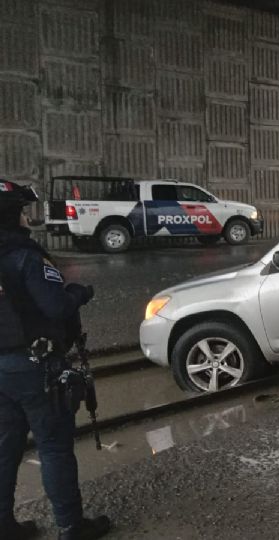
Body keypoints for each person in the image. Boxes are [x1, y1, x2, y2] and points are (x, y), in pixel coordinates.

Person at [0, 181, 110, 540]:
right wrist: (78, 292)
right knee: (54, 447)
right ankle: (70, 527)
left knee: (5, 448)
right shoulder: (25, 256)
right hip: (35, 365)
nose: (26, 218)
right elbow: (56, 306)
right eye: (21, 210)